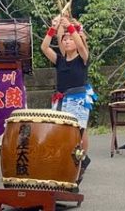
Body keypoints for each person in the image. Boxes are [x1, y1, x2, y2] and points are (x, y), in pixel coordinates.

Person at [41, 15, 96, 183]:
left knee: (76, 134)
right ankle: (71, 164)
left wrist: (71, 27)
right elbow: (44, 47)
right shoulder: (59, 60)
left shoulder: (83, 59)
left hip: (77, 99)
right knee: (60, 134)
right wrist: (53, 27)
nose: (66, 41)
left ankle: (78, 165)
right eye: (64, 40)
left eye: (70, 39)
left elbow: (81, 44)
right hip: (61, 99)